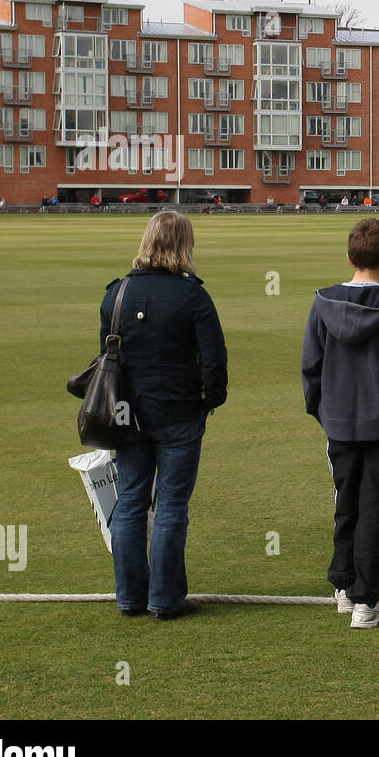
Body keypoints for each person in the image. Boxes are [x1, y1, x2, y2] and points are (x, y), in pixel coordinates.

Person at [101, 211, 227, 620]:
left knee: (131, 501)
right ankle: (165, 599)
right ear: (183, 245)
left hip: (127, 413)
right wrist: (211, 400)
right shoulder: (193, 295)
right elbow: (214, 359)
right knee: (172, 504)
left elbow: (107, 357)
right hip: (178, 412)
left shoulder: (117, 292)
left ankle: (130, 597)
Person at [302, 218, 379, 629]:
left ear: (349, 256)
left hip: (339, 419)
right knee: (376, 505)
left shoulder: (323, 303)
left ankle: (345, 586)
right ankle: (366, 599)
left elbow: (311, 366)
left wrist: (322, 411)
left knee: (348, 499)